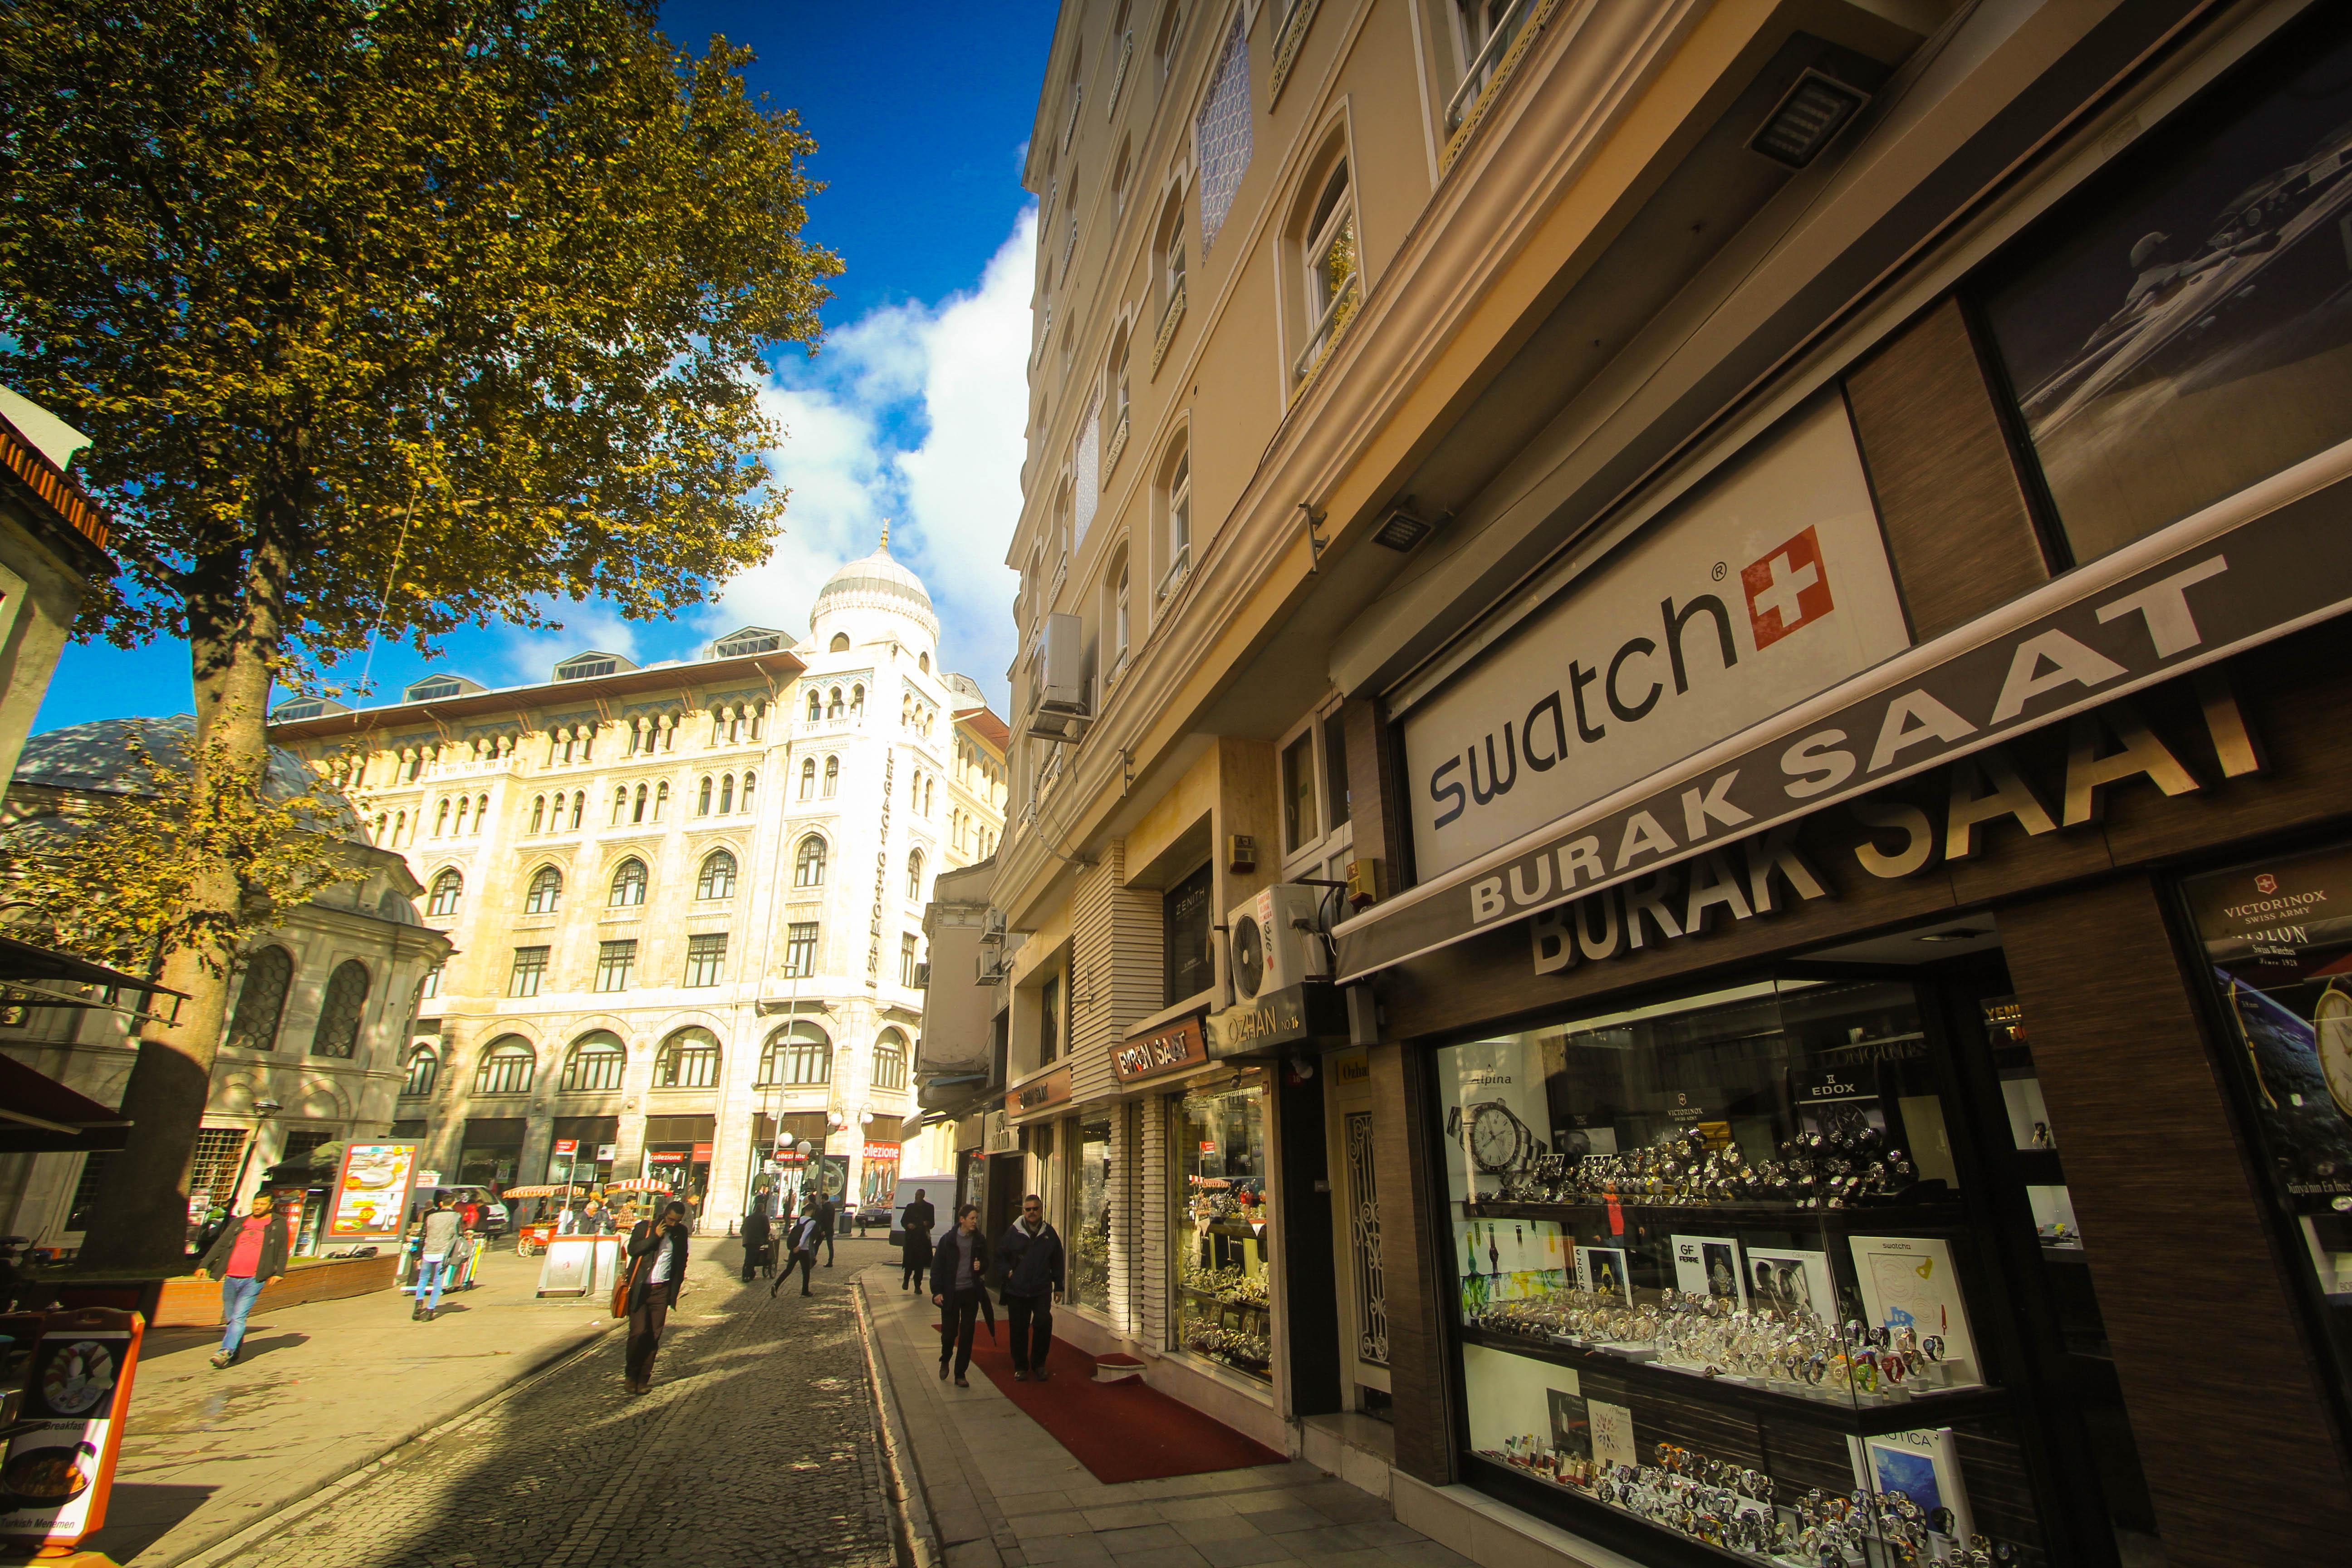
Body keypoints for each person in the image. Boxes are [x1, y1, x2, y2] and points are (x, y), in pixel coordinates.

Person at [197, 1195, 290, 1369]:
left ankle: (225, 1351)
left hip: (254, 1278)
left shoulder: (278, 1224)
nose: (258, 1207)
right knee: (231, 1318)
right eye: (256, 1203)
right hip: (232, 1276)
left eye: (262, 1204)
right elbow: (221, 1244)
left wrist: (279, 1272)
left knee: (239, 1316)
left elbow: (282, 1249)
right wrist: (204, 1264)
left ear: (270, 1206)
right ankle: (235, 1349)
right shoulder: (240, 1222)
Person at [621, 1200, 691, 1394]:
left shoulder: (680, 1233)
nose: (673, 1224)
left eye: (677, 1221)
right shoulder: (645, 1227)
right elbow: (633, 1250)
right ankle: (631, 1374)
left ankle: (643, 1379)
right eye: (670, 1220)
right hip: (641, 1289)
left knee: (653, 1335)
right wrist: (655, 1237)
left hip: (662, 1290)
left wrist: (677, 1284)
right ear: (664, 1215)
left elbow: (682, 1258)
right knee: (638, 1333)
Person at [996, 1193, 1065, 1382]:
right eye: (1028, 1209)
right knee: (1019, 1329)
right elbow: (1000, 1256)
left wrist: (1059, 1286)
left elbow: (1058, 1260)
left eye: (1035, 1209)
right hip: (1017, 1290)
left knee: (1043, 1324)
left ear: (1041, 1210)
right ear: (1023, 1211)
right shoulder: (1013, 1232)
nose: (1032, 1212)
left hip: (1041, 1289)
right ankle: (1020, 1366)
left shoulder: (1049, 1234)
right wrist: (1009, 1273)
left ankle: (1039, 1364)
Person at [930, 1204, 990, 1387]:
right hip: (951, 1293)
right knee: (949, 1333)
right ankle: (945, 1358)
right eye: (972, 1218)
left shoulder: (979, 1240)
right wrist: (937, 1292)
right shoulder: (948, 1240)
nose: (975, 1222)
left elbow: (987, 1261)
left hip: (970, 1292)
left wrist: (982, 1267)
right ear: (962, 1220)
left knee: (968, 1333)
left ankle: (960, 1373)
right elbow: (937, 1268)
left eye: (976, 1219)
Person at [410, 1191, 467, 1323]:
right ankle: (430, 1311)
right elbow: (459, 1234)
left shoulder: (431, 1217)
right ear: (453, 1203)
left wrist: (418, 1255)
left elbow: (423, 1236)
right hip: (443, 1253)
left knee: (423, 1279)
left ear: (441, 1204)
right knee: (437, 1282)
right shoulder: (455, 1216)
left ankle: (418, 1305)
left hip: (428, 1251)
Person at [773, 1203, 819, 1297]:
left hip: (794, 1249)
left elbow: (793, 1234)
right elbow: (805, 1234)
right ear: (812, 1211)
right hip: (803, 1249)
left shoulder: (798, 1220)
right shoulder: (811, 1222)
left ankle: (776, 1285)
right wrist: (800, 1246)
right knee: (806, 1271)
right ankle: (805, 1291)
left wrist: (793, 1247)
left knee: (789, 1269)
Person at [899, 1187, 936, 1293]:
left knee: (920, 1265)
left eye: (919, 1195)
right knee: (909, 1263)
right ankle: (906, 1280)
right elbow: (904, 1221)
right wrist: (908, 1225)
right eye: (916, 1195)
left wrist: (927, 1224)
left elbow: (932, 1223)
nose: (917, 1197)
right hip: (911, 1239)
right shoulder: (910, 1207)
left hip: (922, 1240)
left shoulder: (929, 1208)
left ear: (923, 1196)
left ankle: (917, 1286)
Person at [740, 1205, 773, 1283]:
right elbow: (767, 1229)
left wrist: (746, 1236)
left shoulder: (749, 1218)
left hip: (747, 1240)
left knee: (749, 1257)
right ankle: (747, 1275)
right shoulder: (764, 1217)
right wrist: (765, 1238)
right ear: (763, 1209)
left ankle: (748, 1274)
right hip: (757, 1240)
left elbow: (742, 1230)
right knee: (751, 1258)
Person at [814, 1191, 837, 1267]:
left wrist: (824, 1230)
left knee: (817, 1245)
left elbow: (826, 1220)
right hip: (830, 1229)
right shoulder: (832, 1206)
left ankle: (813, 1259)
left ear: (824, 1199)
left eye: (821, 1199)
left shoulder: (826, 1208)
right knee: (830, 1246)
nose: (821, 1201)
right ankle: (830, 1262)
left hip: (825, 1230)